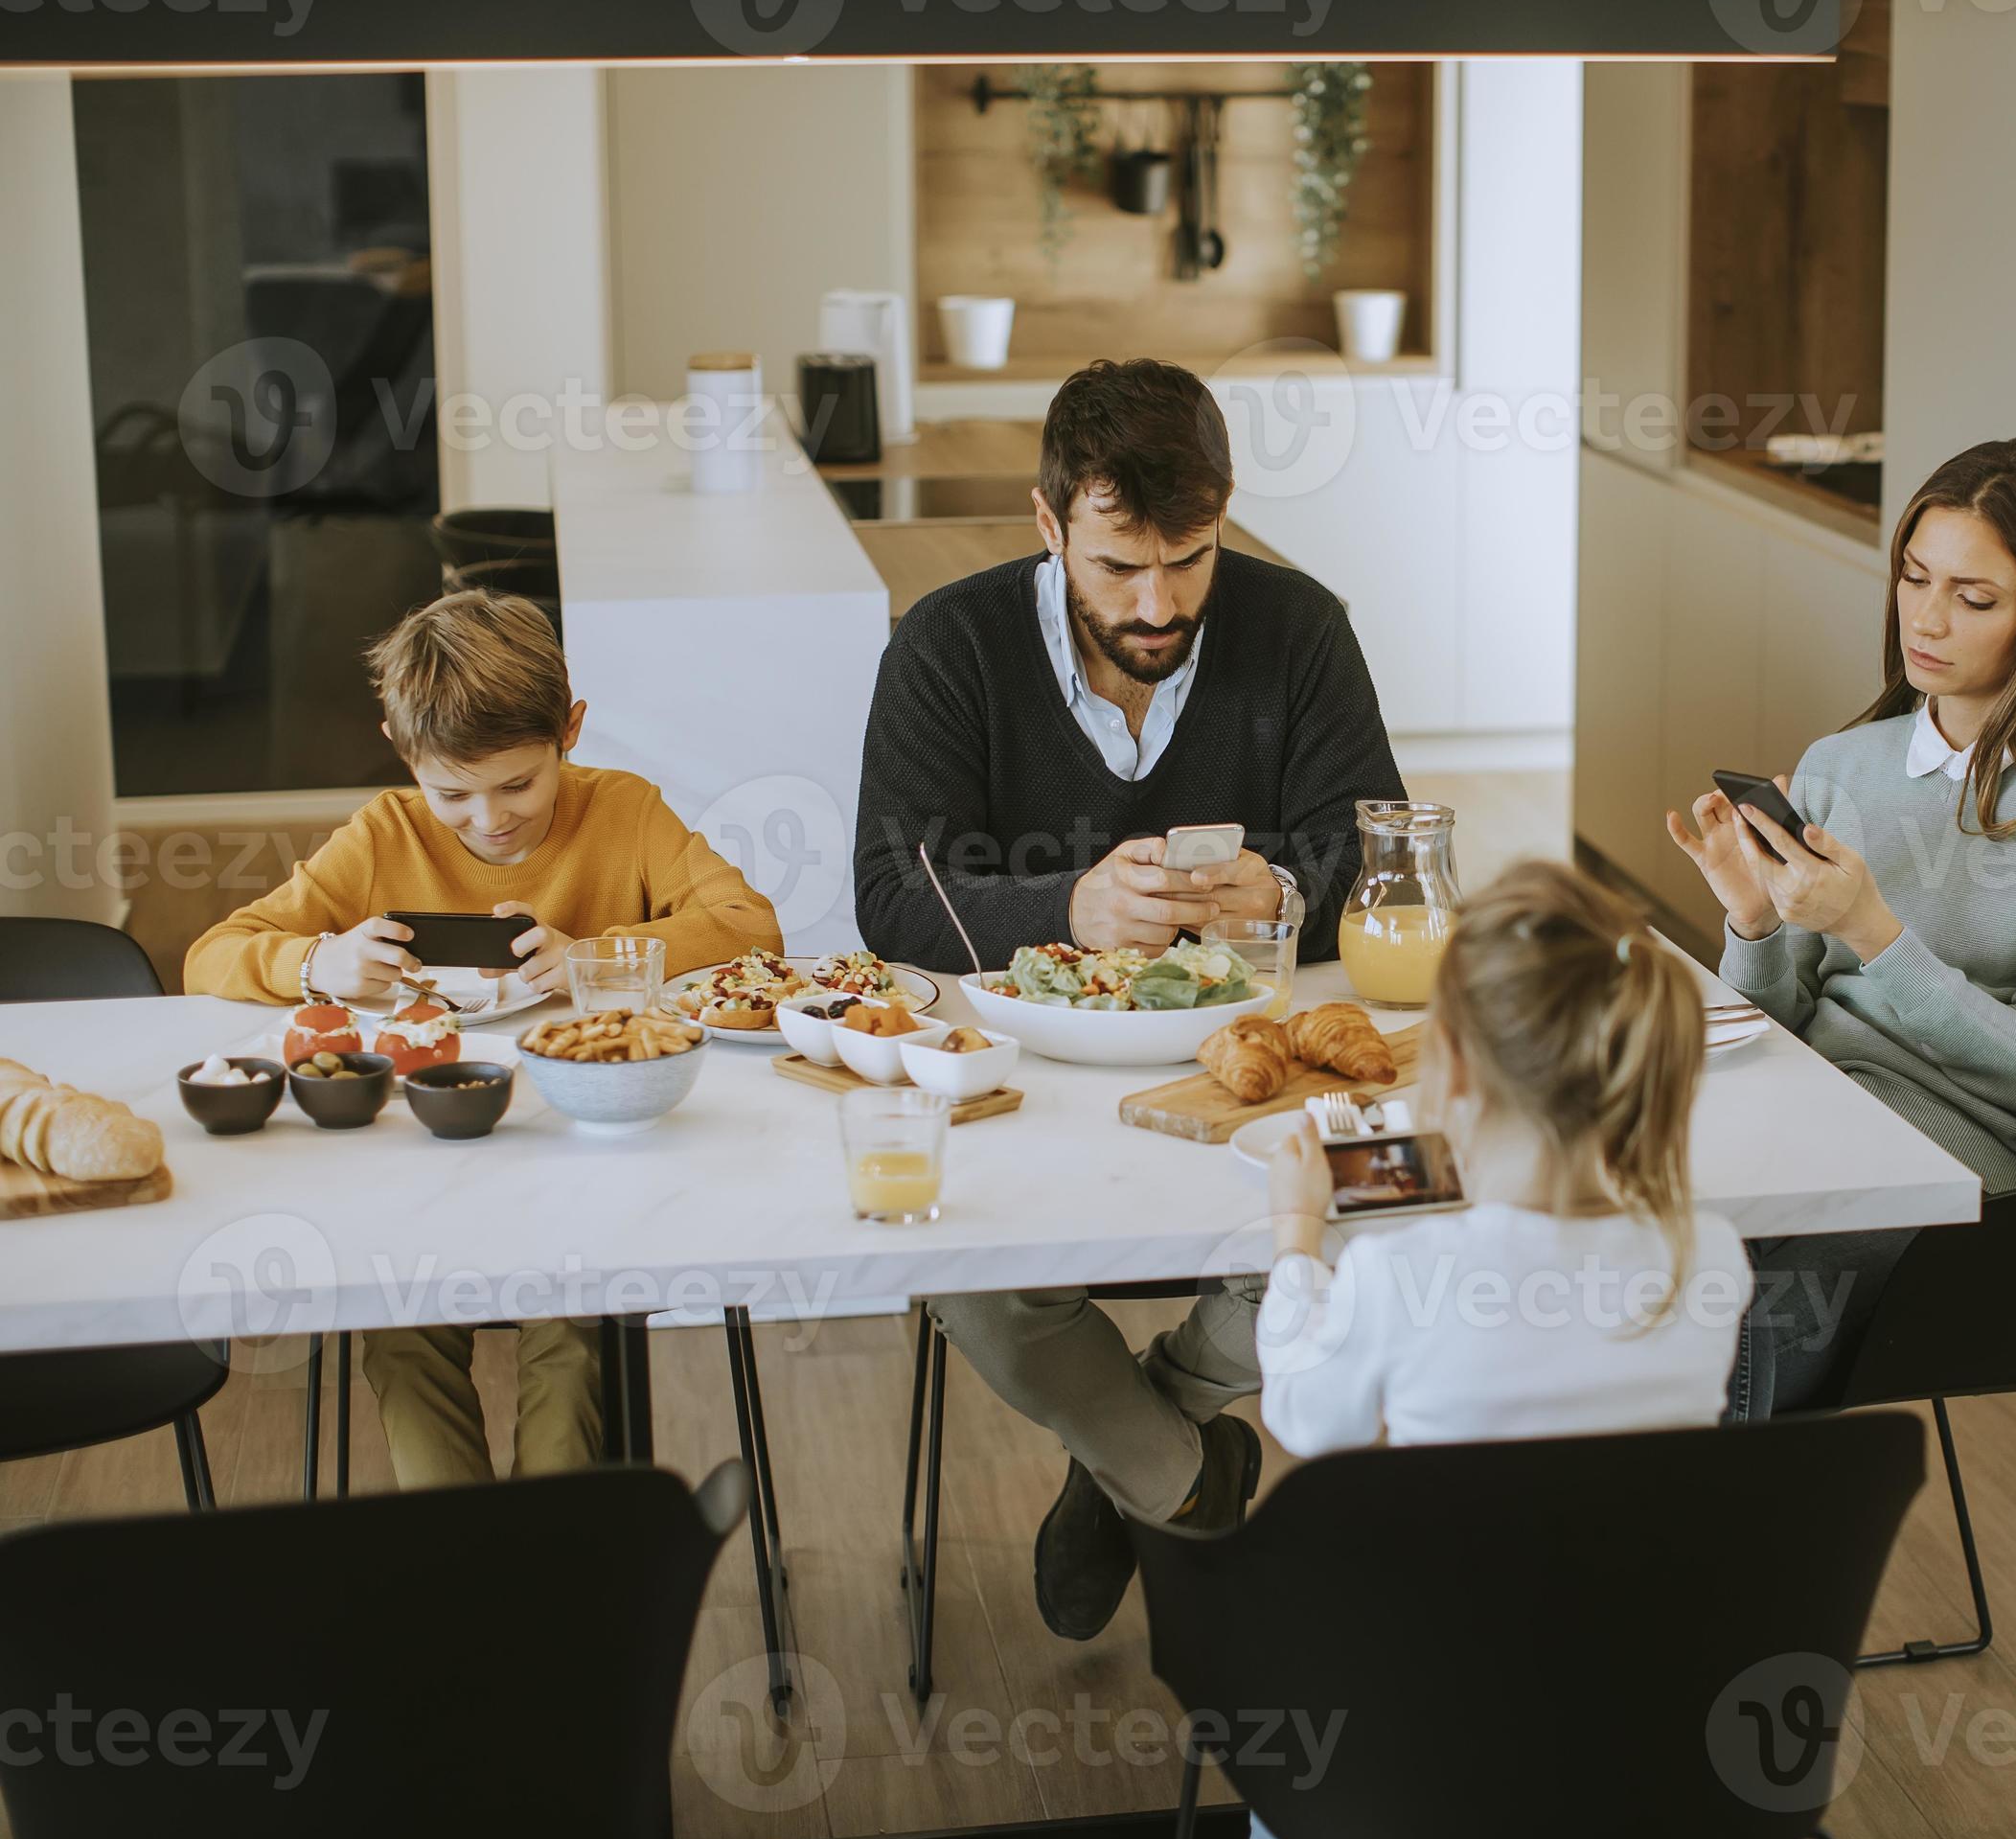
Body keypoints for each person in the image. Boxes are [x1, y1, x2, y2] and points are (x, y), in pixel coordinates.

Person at [851, 357, 1406, 1640]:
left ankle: (1131, 1458)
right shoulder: (949, 644)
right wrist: (1068, 910)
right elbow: (890, 889)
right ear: (1047, 526)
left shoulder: (1299, 628)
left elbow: (1377, 850)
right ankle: (1185, 1485)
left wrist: (1279, 890)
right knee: (964, 1263)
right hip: (1026, 1080)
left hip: (1252, 1077)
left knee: (1392, 1198)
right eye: (1116, 567)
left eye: (1190, 558)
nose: (1159, 605)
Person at [186, 589, 783, 1486]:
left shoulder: (622, 810)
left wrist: (598, 956)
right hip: (416, 1170)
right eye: (452, 793)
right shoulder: (383, 835)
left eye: (518, 784)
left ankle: (548, 1578)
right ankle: (469, 1573)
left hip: (586, 1163)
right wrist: (319, 961)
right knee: (399, 1336)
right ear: (402, 754)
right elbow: (210, 955)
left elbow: (753, 927)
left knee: (575, 1337)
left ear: (569, 732)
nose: (489, 818)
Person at [1663, 438, 2016, 1417]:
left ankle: (1717, 1552)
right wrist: (1749, 918)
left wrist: (1873, 930)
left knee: (1736, 1300)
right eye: (1913, 577)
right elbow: (1770, 1033)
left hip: (1974, 1174)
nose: (1924, 616)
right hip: (1811, 1115)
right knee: (1583, 1225)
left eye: (1972, 595)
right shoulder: (1843, 760)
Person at [1249, 861, 1751, 1839]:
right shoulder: (1710, 1259)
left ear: (1456, 1072)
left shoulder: (1401, 1271)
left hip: (1423, 1742)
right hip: (1642, 1724)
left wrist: (1295, 1237)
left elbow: (1306, 1414)